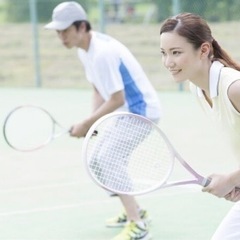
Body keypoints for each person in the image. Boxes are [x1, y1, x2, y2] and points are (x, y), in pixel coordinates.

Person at [45, 2, 162, 240]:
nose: (61, 36)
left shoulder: (102, 53)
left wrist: (86, 124)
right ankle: (135, 210)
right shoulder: (84, 50)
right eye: (57, 32)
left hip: (141, 111)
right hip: (125, 112)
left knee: (109, 160)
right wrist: (92, 125)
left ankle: (138, 225)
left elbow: (117, 98)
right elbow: (98, 90)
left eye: (65, 30)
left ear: (81, 27)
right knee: (96, 161)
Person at [159, 12, 240, 240]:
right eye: (164, 53)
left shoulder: (234, 88)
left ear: (204, 50)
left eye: (176, 53)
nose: (168, 62)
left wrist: (232, 179)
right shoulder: (197, 88)